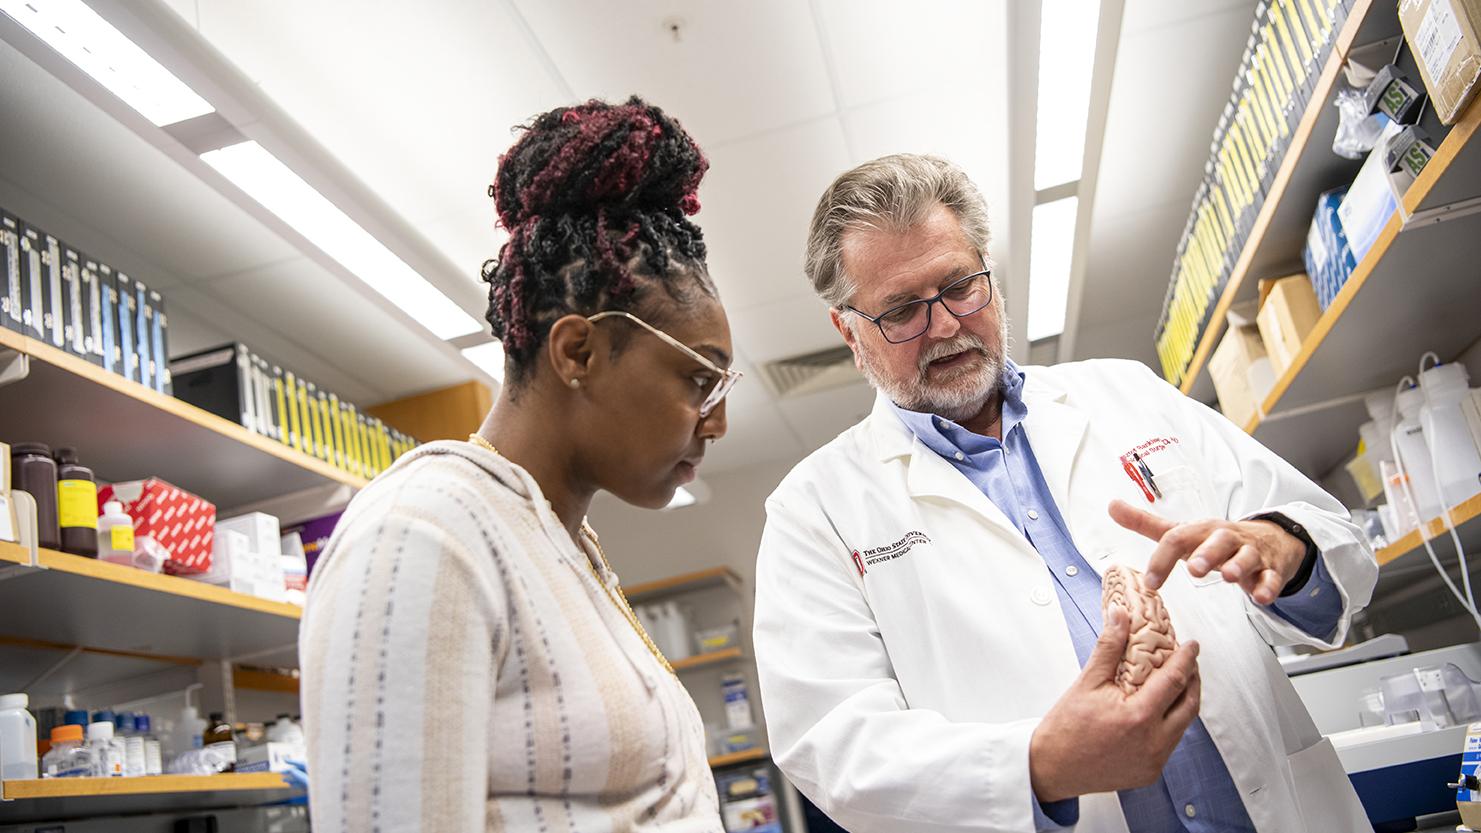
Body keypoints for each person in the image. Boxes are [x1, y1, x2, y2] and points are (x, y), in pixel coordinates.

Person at [751, 153, 1377, 832]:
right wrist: (1035, 763)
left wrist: (1287, 546)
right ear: (849, 331)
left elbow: (1332, 538)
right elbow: (833, 746)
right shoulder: (814, 510)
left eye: (959, 285)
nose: (944, 324)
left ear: (987, 268)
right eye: (901, 309)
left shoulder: (1125, 392)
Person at [300, 97, 740, 832]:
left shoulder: (555, 537)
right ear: (578, 352)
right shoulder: (422, 533)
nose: (717, 423)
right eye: (700, 381)